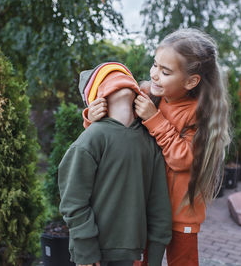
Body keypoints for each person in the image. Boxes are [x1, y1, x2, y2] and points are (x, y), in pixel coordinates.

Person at [84, 29, 231, 266]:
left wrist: (155, 120)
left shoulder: (198, 114)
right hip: (143, 205)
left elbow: (184, 159)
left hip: (180, 213)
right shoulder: (146, 96)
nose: (154, 75)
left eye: (166, 72)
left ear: (191, 81)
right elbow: (117, 133)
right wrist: (91, 118)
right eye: (155, 65)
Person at [58, 62, 172, 266]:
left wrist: (154, 257)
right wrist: (85, 248)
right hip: (95, 254)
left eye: (124, 75)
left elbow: (159, 204)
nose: (120, 79)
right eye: (109, 78)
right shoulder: (91, 139)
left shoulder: (148, 141)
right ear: (97, 98)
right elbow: (73, 201)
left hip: (129, 253)